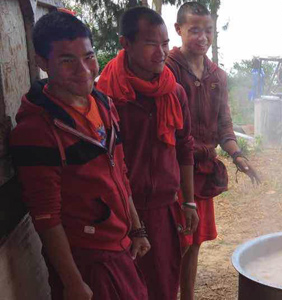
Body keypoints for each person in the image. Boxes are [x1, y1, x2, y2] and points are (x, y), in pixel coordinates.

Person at [10, 11, 148, 300]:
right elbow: (46, 216)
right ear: (42, 62)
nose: (84, 70)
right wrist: (73, 282)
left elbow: (119, 171)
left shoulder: (103, 103)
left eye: (88, 57)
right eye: (67, 61)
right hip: (86, 260)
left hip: (119, 245)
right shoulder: (36, 130)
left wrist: (136, 228)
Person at [96, 6, 197, 300]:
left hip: (164, 207)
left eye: (165, 43)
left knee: (164, 287)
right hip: (122, 211)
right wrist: (133, 221)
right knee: (126, 290)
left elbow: (184, 147)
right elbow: (109, 164)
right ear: (125, 44)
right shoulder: (107, 97)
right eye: (151, 43)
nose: (161, 52)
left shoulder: (173, 92)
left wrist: (189, 201)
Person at [166, 3, 261, 300]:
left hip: (202, 171)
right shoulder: (167, 69)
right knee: (173, 241)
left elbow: (224, 124)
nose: (203, 37)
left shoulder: (217, 75)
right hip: (172, 171)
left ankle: (188, 297)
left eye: (208, 30)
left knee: (194, 240)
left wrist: (238, 156)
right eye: (194, 30)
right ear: (178, 30)